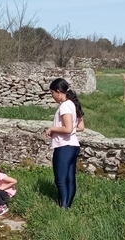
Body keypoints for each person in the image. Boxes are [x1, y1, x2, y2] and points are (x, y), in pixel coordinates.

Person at [45, 78, 84, 209]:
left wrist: (52, 128)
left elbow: (67, 129)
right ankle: (67, 207)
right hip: (73, 145)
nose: (52, 96)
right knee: (70, 179)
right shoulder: (73, 104)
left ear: (58, 91)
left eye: (52, 93)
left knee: (60, 181)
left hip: (64, 146)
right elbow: (80, 126)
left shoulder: (65, 106)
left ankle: (63, 207)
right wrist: (65, 128)